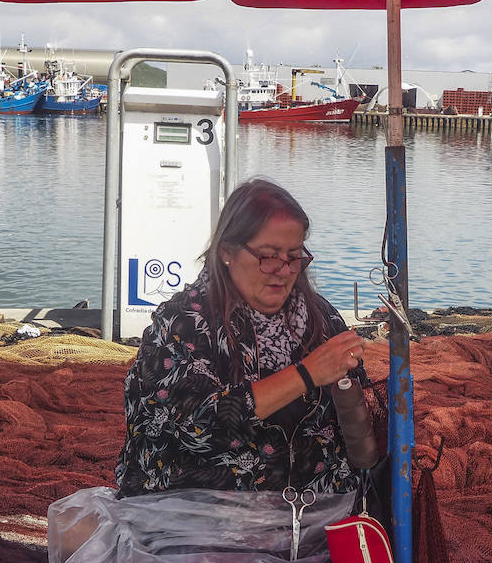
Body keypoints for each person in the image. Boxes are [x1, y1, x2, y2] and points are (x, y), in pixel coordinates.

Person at [116, 177, 371, 498]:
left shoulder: (319, 316)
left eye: (294, 256)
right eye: (268, 255)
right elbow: (198, 425)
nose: (284, 269)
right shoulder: (183, 321)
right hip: (194, 513)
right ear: (227, 253)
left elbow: (358, 403)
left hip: (310, 510)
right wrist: (306, 374)